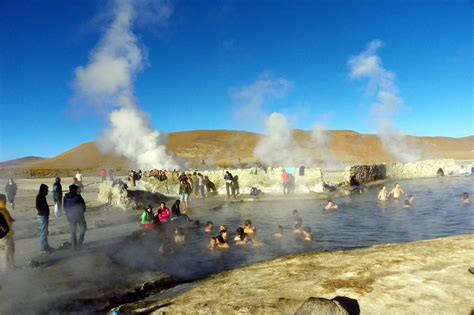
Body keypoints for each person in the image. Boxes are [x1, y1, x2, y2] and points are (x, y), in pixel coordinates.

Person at [63, 184, 87, 249]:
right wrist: (82, 211)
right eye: (76, 189)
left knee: (73, 231)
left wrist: (68, 215)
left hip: (70, 216)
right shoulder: (78, 196)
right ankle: (80, 241)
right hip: (79, 216)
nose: (77, 190)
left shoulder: (65, 197)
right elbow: (83, 205)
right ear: (74, 189)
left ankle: (74, 245)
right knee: (83, 227)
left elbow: (65, 207)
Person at [36, 184, 53, 253]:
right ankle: (43, 248)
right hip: (42, 216)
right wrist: (43, 211)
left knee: (45, 232)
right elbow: (37, 206)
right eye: (46, 190)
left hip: (44, 216)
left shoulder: (42, 196)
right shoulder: (40, 196)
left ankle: (46, 246)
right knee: (43, 232)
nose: (47, 191)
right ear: (43, 190)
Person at [0, 194, 16, 269]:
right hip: (4, 234)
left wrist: (11, 219)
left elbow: (7, 216)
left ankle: (12, 264)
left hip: (9, 233)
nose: (5, 200)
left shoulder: (4, 208)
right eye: (4, 199)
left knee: (12, 248)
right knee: (6, 250)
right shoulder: (0, 209)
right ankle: (6, 266)